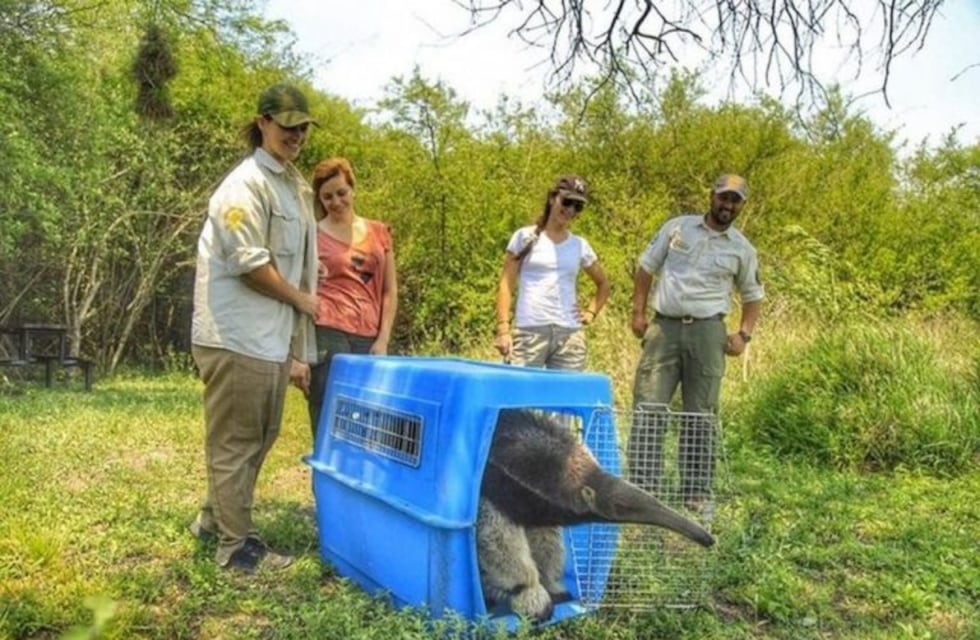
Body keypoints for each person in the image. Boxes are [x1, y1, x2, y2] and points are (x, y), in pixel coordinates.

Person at [188, 83, 319, 572]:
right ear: (262, 122)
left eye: (303, 126)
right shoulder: (243, 186)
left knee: (257, 438)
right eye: (287, 125)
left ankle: (212, 520)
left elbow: (288, 254)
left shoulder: (290, 182)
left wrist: (309, 277)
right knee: (237, 443)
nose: (297, 134)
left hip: (267, 337)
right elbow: (249, 264)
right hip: (237, 335)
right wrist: (302, 297)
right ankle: (237, 550)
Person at [628, 173, 764, 512]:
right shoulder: (678, 228)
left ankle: (696, 492)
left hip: (708, 333)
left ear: (741, 205)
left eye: (735, 200)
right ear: (712, 196)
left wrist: (744, 334)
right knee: (649, 406)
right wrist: (638, 312)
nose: (727, 205)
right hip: (664, 329)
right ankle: (642, 491)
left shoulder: (742, 248)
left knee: (700, 415)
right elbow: (646, 268)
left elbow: (753, 295)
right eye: (723, 197)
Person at [306, 157, 398, 441]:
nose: (335, 202)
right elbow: (300, 284)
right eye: (327, 196)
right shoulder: (312, 233)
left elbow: (389, 290)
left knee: (368, 418)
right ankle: (325, 482)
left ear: (353, 190)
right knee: (328, 417)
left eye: (341, 193)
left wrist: (383, 338)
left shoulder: (379, 233)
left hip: (368, 335)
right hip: (327, 331)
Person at [494, 175, 610, 370]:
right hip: (530, 331)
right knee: (521, 398)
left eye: (578, 206)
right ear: (552, 198)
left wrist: (590, 312)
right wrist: (503, 328)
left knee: (567, 398)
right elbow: (506, 284)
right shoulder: (524, 237)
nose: (570, 210)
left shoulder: (579, 245)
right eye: (567, 202)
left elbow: (604, 284)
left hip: (570, 335)